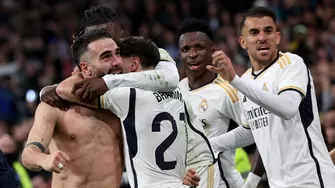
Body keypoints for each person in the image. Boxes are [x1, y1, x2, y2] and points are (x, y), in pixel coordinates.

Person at [56, 36, 217, 187]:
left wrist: (79, 74)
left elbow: (64, 90)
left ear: (133, 65)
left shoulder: (126, 96)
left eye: (119, 59)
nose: (116, 65)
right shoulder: (179, 94)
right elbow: (200, 146)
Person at [208, 6, 335, 188]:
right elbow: (251, 130)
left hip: (311, 180)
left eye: (268, 31)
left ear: (277, 37)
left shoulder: (291, 64)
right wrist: (210, 144)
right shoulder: (245, 80)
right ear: (243, 42)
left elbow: (287, 108)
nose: (262, 37)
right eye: (254, 32)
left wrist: (234, 80)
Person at [22, 30, 124, 188]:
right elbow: (28, 155)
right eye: (106, 56)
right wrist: (45, 159)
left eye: (117, 53)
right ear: (86, 68)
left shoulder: (126, 101)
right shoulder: (55, 105)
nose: (117, 61)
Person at [40, 5, 179, 109]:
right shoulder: (87, 66)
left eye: (107, 36)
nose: (103, 42)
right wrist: (52, 89)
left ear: (121, 35)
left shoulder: (150, 52)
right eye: (95, 38)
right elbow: (67, 89)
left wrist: (107, 82)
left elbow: (170, 79)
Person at [177, 18, 246, 188]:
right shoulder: (177, 90)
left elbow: (257, 130)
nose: (192, 54)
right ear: (180, 55)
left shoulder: (227, 90)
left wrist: (253, 180)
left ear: (212, 51)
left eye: (199, 47)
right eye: (186, 49)